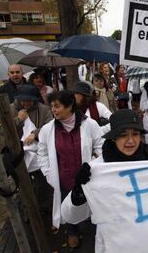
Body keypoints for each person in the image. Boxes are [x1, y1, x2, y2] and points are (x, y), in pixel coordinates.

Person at [60, 109, 148, 252]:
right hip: (115, 243)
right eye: (123, 135)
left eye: (135, 134)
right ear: (113, 137)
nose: (130, 141)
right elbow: (69, 216)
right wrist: (79, 192)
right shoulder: (97, 170)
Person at [37, 90, 103, 248]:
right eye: (52, 106)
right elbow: (42, 153)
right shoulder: (48, 130)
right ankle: (72, 231)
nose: (53, 109)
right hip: (63, 180)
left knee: (92, 206)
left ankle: (96, 231)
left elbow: (101, 146)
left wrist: (94, 166)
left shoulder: (90, 124)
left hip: (87, 178)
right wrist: (49, 174)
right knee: (67, 207)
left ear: (70, 106)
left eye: (57, 106)